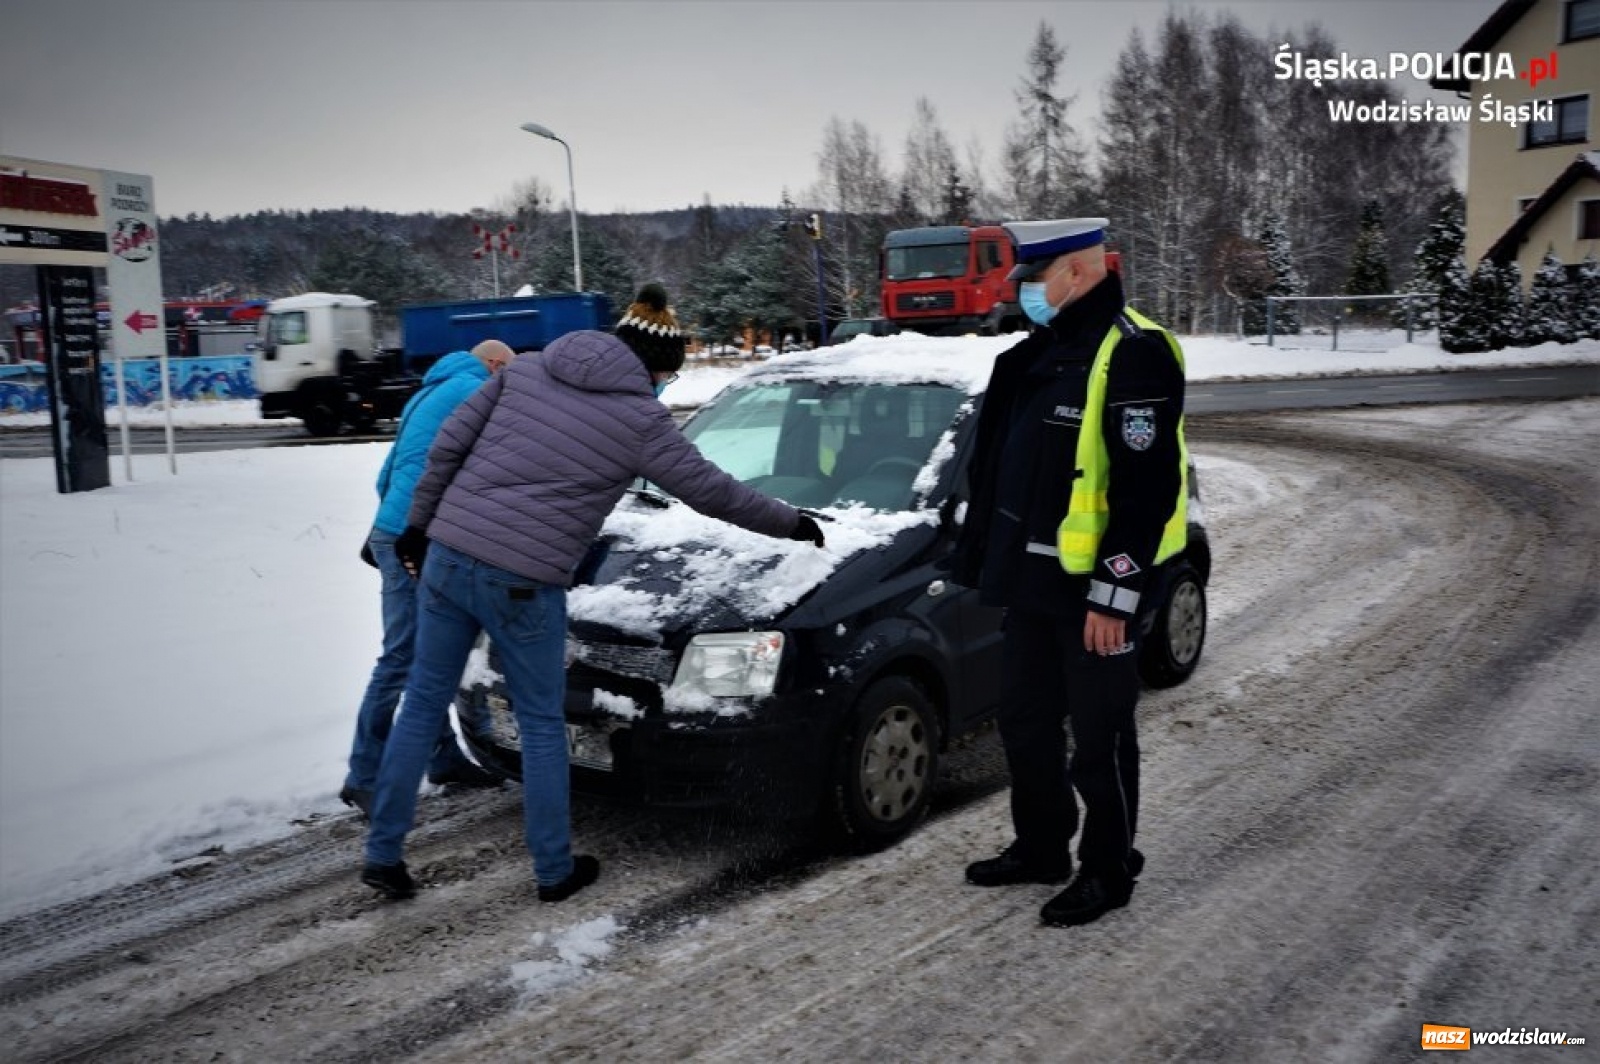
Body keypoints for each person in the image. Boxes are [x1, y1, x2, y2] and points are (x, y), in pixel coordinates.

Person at [360, 284, 826, 903]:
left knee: (422, 703)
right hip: (523, 581)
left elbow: (448, 447)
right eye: (665, 376)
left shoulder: (523, 373)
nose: (662, 388)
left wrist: (416, 530)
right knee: (542, 722)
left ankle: (383, 853)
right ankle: (553, 870)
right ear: (655, 368)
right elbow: (711, 491)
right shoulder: (640, 418)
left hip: (447, 556)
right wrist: (790, 522)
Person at [950, 218, 1188, 927]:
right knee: (1026, 724)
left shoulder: (1133, 354)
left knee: (1100, 736)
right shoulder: (1038, 355)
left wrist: (1115, 597)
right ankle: (1042, 846)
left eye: (1033, 279)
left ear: (1076, 275)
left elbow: (1148, 492)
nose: (1021, 292)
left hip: (1096, 594)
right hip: (1032, 590)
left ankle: (1110, 868)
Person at [340, 339, 514, 819]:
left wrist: (385, 528)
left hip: (397, 530)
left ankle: (444, 759)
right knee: (401, 656)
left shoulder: (429, 390)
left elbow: (387, 473)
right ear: (496, 366)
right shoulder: (476, 392)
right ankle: (364, 776)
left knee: (430, 650)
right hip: (415, 537)